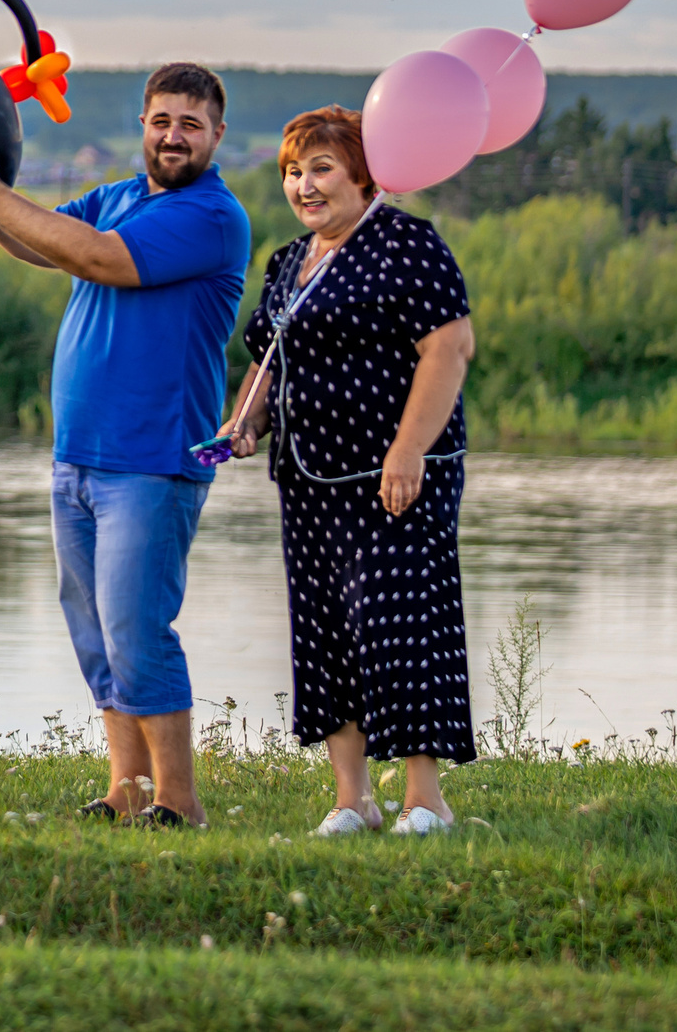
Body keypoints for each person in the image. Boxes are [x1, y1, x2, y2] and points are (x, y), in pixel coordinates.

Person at [0, 62, 251, 827]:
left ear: (217, 136)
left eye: (191, 124)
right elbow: (42, 243)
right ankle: (125, 790)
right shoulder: (119, 195)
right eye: (162, 119)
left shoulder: (212, 215)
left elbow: (101, 258)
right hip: (78, 454)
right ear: (142, 123)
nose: (174, 136)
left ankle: (180, 802)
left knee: (137, 628)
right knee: (95, 633)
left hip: (155, 459)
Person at [219, 106, 478, 837]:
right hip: (307, 479)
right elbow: (272, 356)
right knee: (327, 631)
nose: (304, 184)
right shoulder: (288, 259)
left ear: (364, 173)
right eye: (294, 171)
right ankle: (352, 798)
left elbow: (449, 348)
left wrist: (408, 449)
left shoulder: (407, 243)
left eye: (322, 168)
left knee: (402, 623)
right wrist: (247, 420)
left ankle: (425, 799)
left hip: (392, 475)